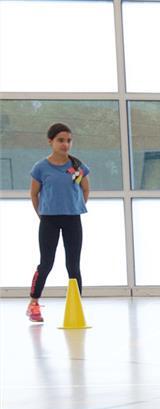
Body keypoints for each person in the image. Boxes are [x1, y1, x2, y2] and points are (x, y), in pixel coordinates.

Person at [26, 123, 90, 323]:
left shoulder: (78, 166)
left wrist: (75, 206)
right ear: (50, 141)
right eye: (61, 140)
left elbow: (85, 190)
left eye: (69, 140)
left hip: (73, 219)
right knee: (46, 263)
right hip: (49, 221)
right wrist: (43, 214)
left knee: (73, 265)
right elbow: (34, 194)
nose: (65, 144)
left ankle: (76, 304)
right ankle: (33, 303)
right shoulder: (40, 167)